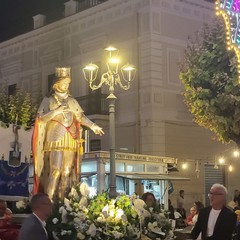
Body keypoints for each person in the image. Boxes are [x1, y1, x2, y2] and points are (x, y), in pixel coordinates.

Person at [32, 67, 104, 199]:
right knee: (55, 170)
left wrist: (93, 125)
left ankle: (62, 200)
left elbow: (80, 117)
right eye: (63, 83)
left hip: (70, 137)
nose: (66, 86)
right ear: (56, 84)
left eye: (67, 84)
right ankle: (48, 201)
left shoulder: (72, 101)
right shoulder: (49, 100)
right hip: (55, 137)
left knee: (66, 171)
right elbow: (41, 118)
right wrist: (56, 111)